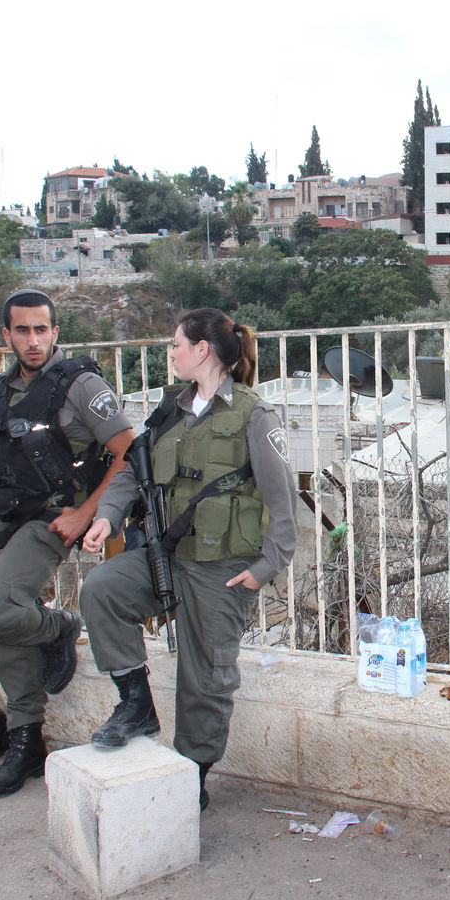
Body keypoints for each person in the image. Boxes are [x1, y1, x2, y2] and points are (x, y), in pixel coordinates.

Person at [79, 308, 297, 810]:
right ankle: (134, 703)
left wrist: (264, 569)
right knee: (102, 591)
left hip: (222, 569)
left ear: (202, 350)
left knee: (205, 674)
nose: (171, 352)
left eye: (176, 344)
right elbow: (133, 475)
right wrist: (108, 518)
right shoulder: (167, 412)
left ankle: (193, 772)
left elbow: (282, 501)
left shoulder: (253, 414)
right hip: (167, 555)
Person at [0, 288, 134, 798]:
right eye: (22, 331)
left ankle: (57, 627)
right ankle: (26, 740)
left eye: (42, 329)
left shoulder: (79, 385)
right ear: (6, 336)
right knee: (4, 614)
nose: (33, 340)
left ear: (55, 332)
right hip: (5, 518)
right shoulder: (2, 389)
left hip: (51, 520)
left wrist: (85, 512)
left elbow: (129, 451)